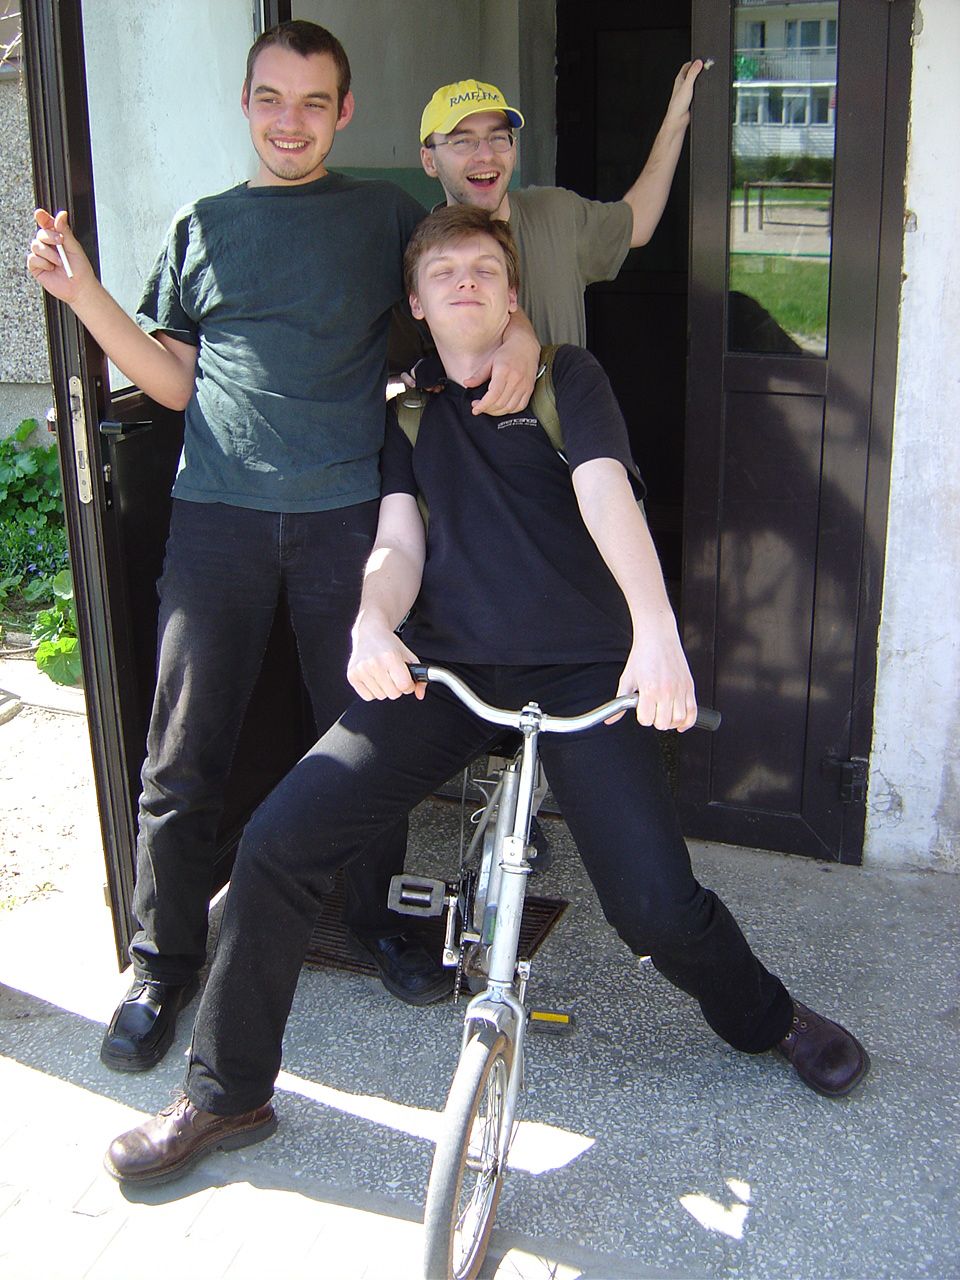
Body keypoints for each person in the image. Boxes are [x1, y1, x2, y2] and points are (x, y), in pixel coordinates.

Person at [104, 206, 868, 1188]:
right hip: (450, 673)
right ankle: (227, 1092)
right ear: (417, 304)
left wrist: (656, 632)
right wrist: (372, 623)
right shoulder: (406, 412)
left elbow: (606, 492)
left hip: (585, 669)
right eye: (444, 271)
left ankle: (770, 1017)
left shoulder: (566, 378)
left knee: (654, 907)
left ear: (512, 295)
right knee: (277, 842)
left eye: (484, 268)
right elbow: (398, 541)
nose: (465, 280)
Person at [27, 22, 539, 1073]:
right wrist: (83, 294)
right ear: (246, 103)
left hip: (346, 516)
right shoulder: (203, 226)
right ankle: (162, 962)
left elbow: (462, 283)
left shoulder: (382, 216)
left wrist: (521, 336)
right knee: (182, 751)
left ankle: (375, 921)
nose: (290, 122)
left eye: (313, 102)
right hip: (215, 516)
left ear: (344, 112)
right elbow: (173, 382)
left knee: (365, 736)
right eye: (271, 98)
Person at [418, 64, 703, 346]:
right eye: (463, 141)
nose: (486, 155)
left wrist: (676, 120)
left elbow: (637, 223)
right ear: (429, 161)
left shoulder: (555, 213)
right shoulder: (423, 253)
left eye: (498, 138)